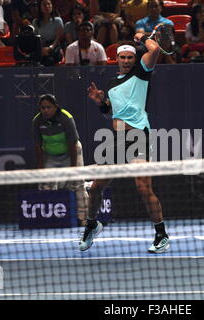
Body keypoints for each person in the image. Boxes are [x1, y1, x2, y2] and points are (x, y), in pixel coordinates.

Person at [80, 35, 170, 253]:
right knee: (95, 188)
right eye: (123, 57)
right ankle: (92, 225)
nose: (127, 60)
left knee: (143, 187)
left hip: (139, 136)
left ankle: (161, 235)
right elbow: (112, 111)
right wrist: (101, 102)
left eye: (131, 57)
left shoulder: (141, 72)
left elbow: (155, 50)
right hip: (117, 140)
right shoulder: (112, 84)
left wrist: (144, 37)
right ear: (117, 58)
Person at [33, 93, 88, 226]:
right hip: (51, 155)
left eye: (48, 107)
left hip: (71, 151)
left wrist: (73, 168)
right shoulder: (37, 121)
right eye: (43, 108)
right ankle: (49, 217)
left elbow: (72, 143)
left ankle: (84, 218)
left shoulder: (66, 118)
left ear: (56, 107)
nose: (45, 110)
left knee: (77, 184)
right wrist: (41, 170)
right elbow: (38, 146)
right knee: (46, 184)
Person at [33, 0, 64, 66]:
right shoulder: (35, 22)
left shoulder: (58, 20)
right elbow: (36, 38)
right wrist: (41, 49)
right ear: (40, 7)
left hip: (54, 47)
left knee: (49, 60)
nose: (47, 6)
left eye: (49, 4)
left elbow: (58, 38)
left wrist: (51, 48)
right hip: (41, 47)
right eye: (44, 4)